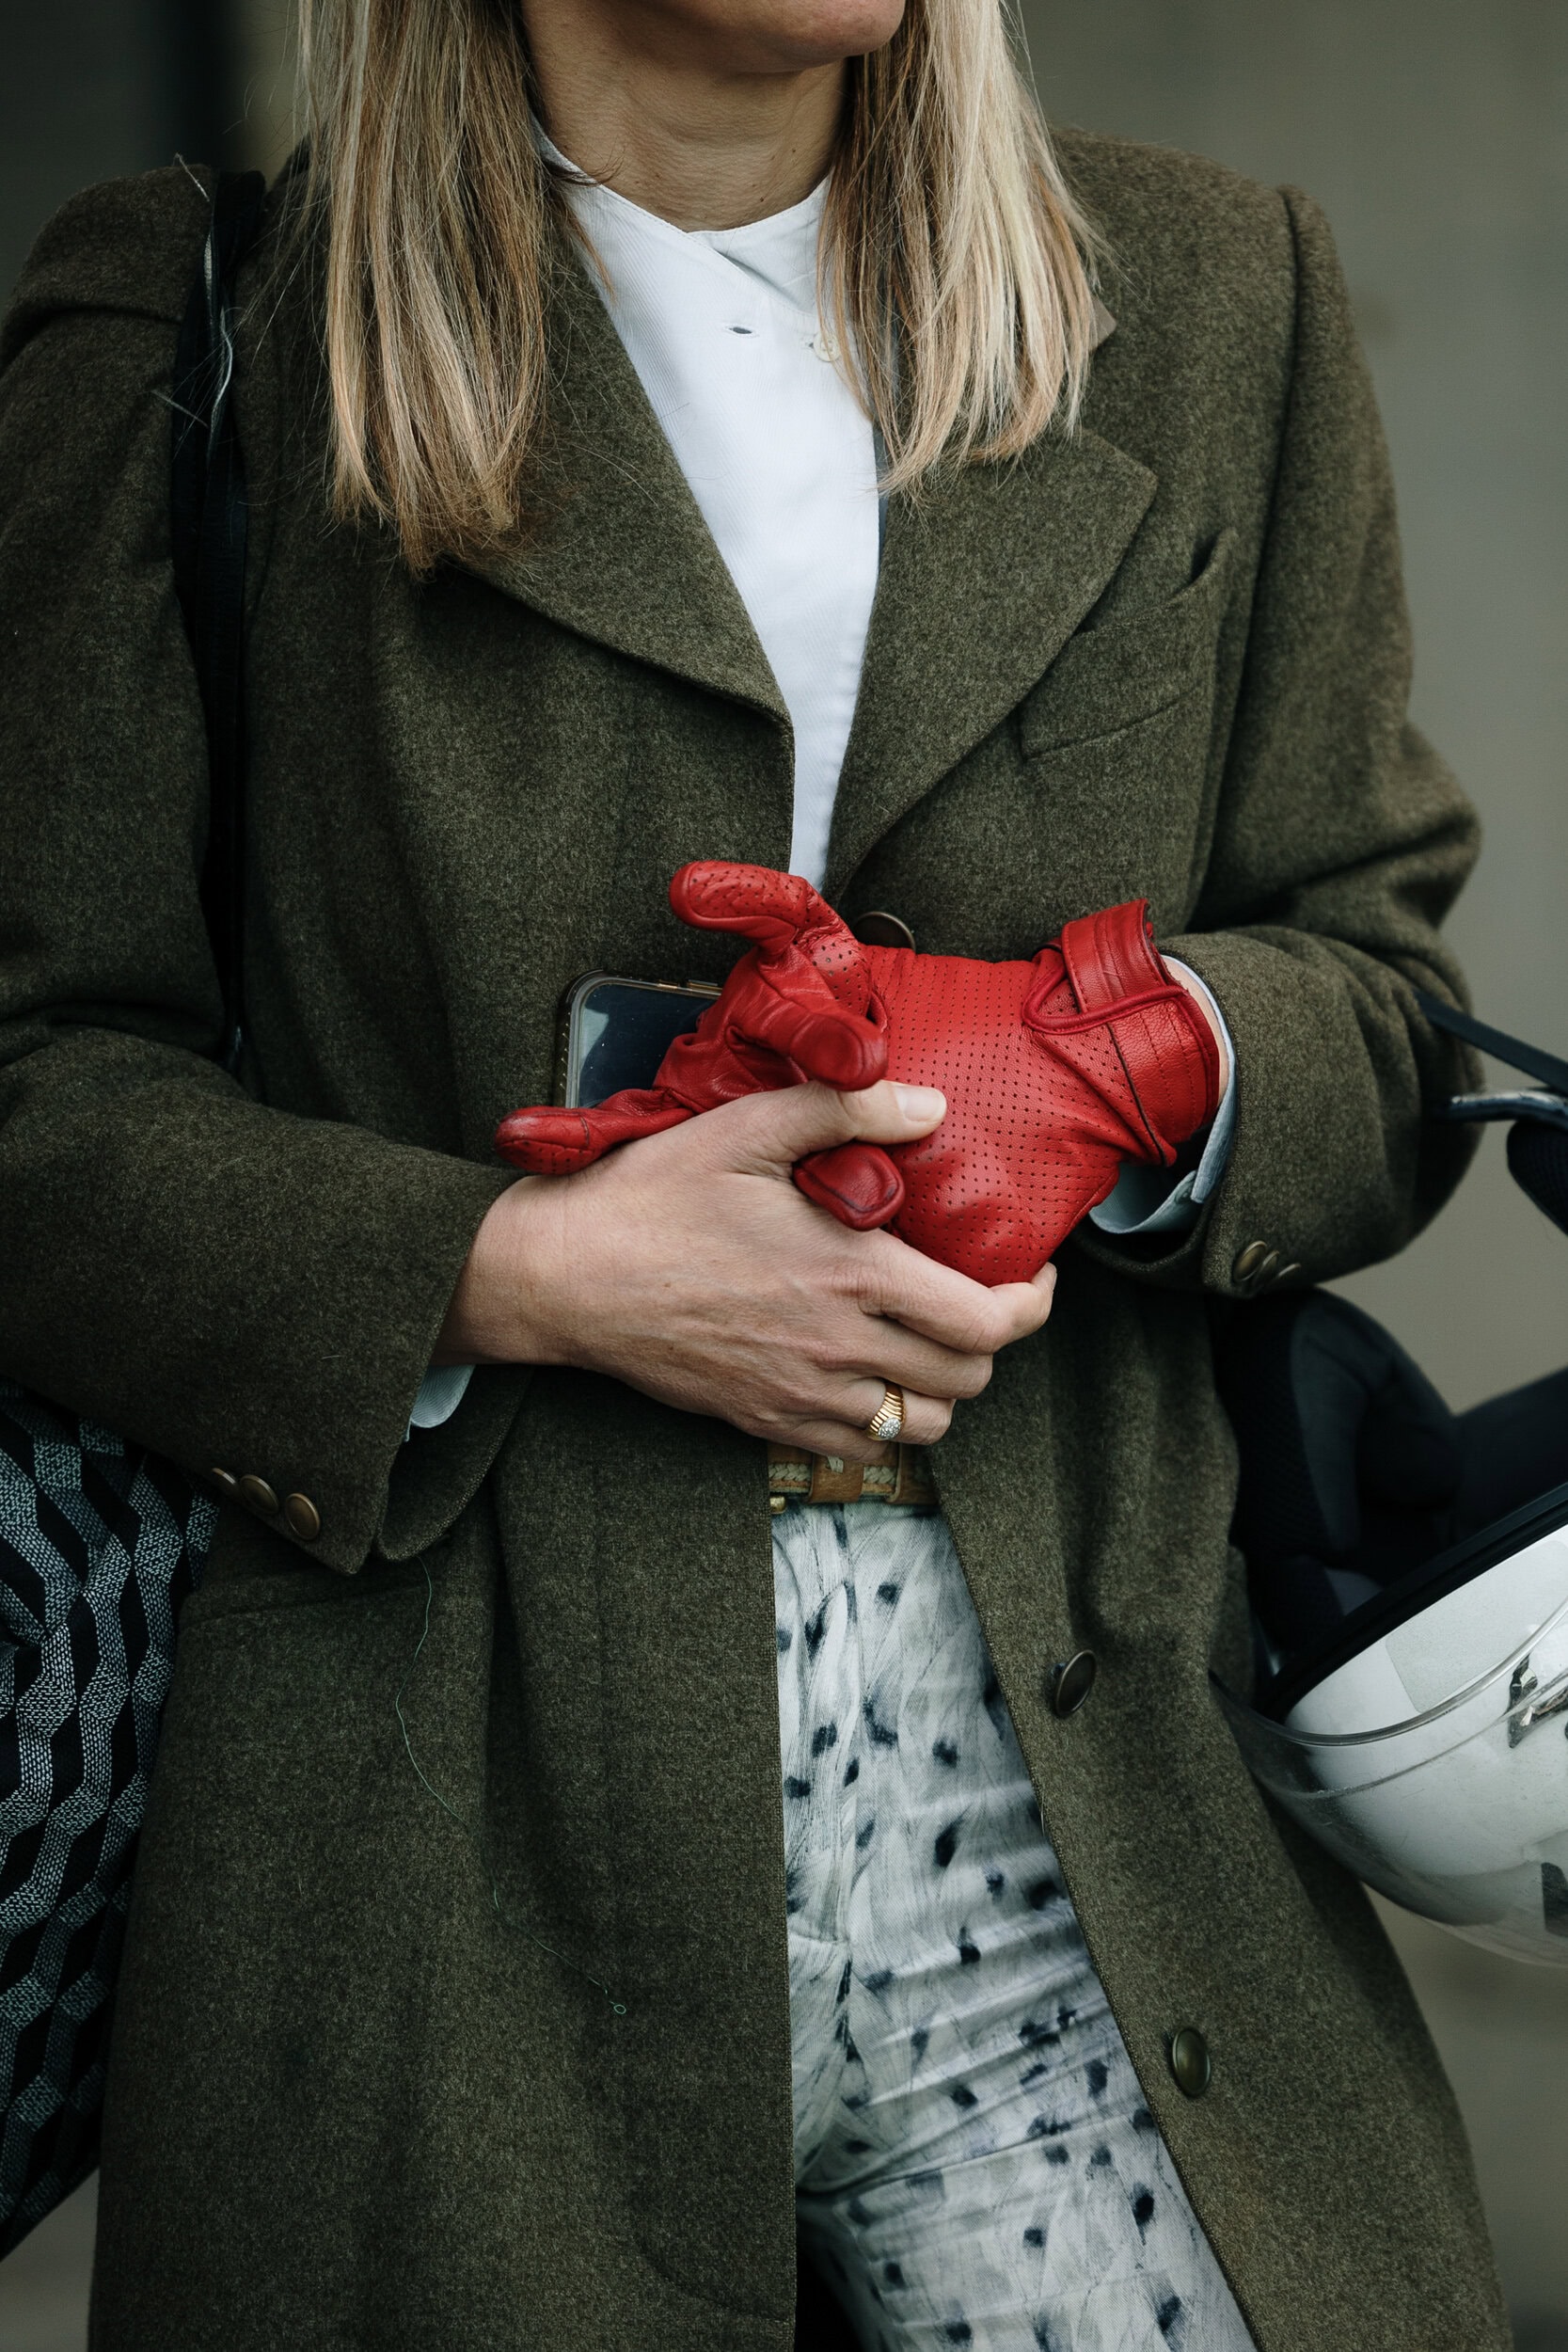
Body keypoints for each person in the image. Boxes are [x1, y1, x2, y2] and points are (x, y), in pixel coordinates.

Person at [0, 0, 1510, 2343]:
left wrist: (1105, 1057)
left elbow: (1390, 1002)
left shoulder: (1214, 297)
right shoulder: (205, 332)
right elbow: (32, 1089)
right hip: (439, 1841)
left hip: (1086, 1811)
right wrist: (524, 1268)